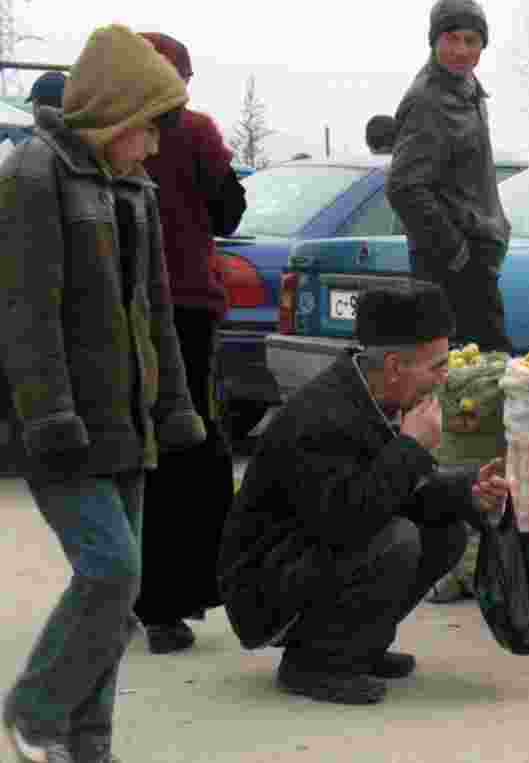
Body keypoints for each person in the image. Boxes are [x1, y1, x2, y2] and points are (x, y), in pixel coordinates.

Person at [0, 24, 204, 762]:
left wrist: (175, 403)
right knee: (110, 571)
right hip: (61, 423)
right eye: (148, 128)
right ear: (116, 113)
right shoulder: (33, 174)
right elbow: (25, 310)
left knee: (121, 593)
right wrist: (50, 414)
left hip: (127, 420)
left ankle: (90, 745)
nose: (153, 146)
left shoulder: (134, 186)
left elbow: (157, 309)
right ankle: (36, 710)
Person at [218, 282, 509, 705]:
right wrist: (410, 448)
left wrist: (468, 491)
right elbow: (345, 522)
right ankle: (315, 663)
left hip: (308, 558)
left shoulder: (373, 396)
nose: (444, 379)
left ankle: (358, 646)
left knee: (445, 532)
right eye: (437, 367)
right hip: (265, 589)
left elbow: (404, 496)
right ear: (394, 366)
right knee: (396, 539)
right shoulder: (322, 417)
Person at [131, 31, 245, 655]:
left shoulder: (99, 134)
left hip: (116, 311)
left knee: (131, 450)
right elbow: (229, 212)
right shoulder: (194, 131)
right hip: (185, 309)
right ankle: (171, 601)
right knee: (188, 450)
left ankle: (123, 592)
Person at [387, 0, 513, 353]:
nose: (461, 50)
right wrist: (456, 252)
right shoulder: (429, 99)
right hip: (450, 266)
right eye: (451, 39)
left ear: (482, 46)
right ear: (434, 41)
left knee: (485, 369)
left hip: (475, 256)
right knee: (476, 369)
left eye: (471, 41)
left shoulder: (467, 90)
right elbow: (404, 187)